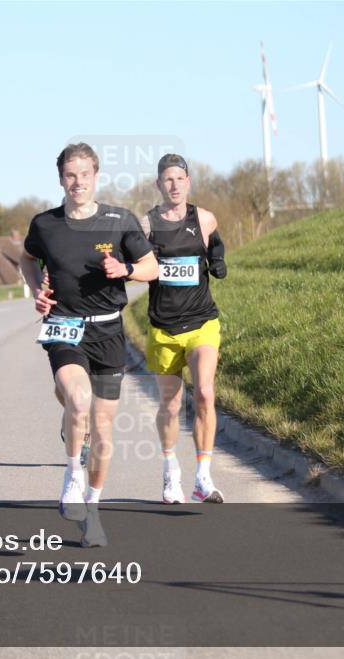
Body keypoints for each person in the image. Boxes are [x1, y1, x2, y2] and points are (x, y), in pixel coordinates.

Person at [20, 142, 158, 545]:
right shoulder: (45, 224)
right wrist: (36, 291)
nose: (77, 182)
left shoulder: (119, 221)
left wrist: (128, 268)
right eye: (69, 175)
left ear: (96, 176)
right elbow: (28, 260)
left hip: (108, 331)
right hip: (65, 327)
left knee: (102, 430)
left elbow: (152, 266)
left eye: (84, 174)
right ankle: (71, 478)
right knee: (78, 399)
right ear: (60, 178)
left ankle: (93, 510)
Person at [142, 154, 227, 504]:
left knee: (205, 392)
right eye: (168, 179)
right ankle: (170, 472)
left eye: (180, 179)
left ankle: (203, 478)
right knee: (171, 404)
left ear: (188, 182)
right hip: (163, 328)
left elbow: (216, 243)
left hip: (202, 322)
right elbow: (137, 262)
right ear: (158, 185)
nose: (174, 185)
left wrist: (218, 260)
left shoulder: (204, 219)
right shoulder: (146, 225)